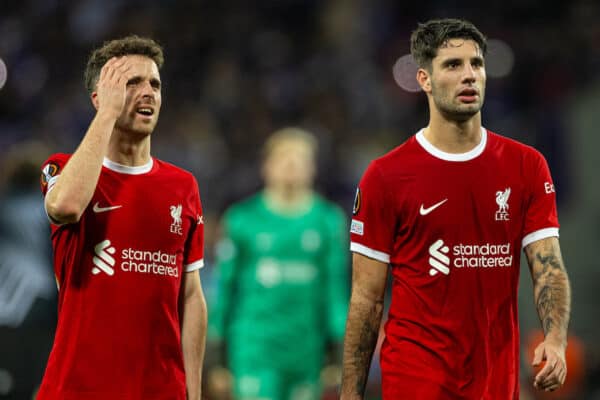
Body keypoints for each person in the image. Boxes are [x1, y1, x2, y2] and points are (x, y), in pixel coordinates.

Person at [340, 18, 572, 399]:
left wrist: (556, 339)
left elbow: (548, 266)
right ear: (424, 80)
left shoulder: (527, 166)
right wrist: (351, 395)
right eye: (452, 65)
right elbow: (367, 300)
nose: (469, 76)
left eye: (476, 64)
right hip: (416, 379)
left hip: (496, 381)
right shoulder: (386, 176)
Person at [37, 36, 207, 400]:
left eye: (155, 84)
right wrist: (108, 115)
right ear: (100, 96)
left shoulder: (183, 186)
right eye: (132, 83)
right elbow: (64, 206)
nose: (149, 92)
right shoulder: (62, 168)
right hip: (78, 388)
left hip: (159, 390)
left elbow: (191, 296)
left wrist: (193, 392)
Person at [207, 128, 349, 400]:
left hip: (306, 352)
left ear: (313, 168)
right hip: (254, 349)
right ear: (266, 166)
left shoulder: (328, 221)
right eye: (284, 157)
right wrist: (217, 356)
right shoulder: (241, 220)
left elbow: (334, 292)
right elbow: (225, 289)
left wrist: (336, 354)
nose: (292, 164)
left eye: (300, 158)